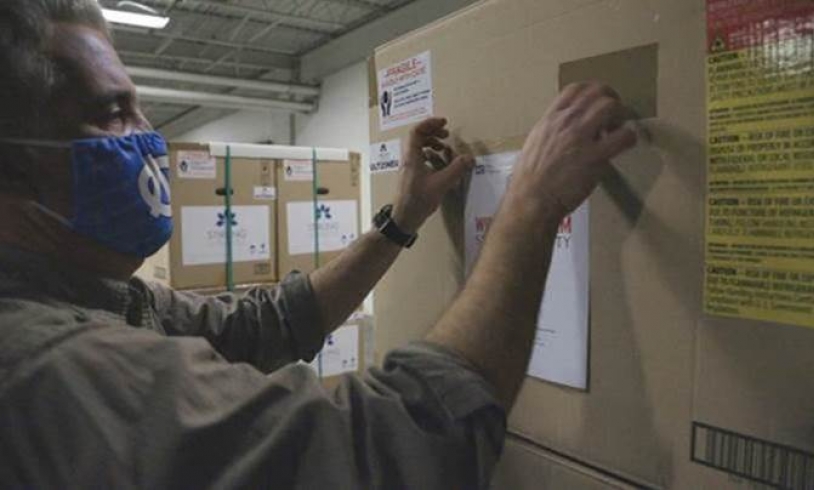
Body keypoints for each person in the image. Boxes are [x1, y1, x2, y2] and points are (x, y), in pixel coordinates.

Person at [0, 1, 637, 488]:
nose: (150, 140)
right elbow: (387, 448)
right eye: (114, 113)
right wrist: (529, 206)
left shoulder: (96, 295)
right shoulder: (50, 367)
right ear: (15, 167)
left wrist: (402, 220)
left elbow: (264, 326)